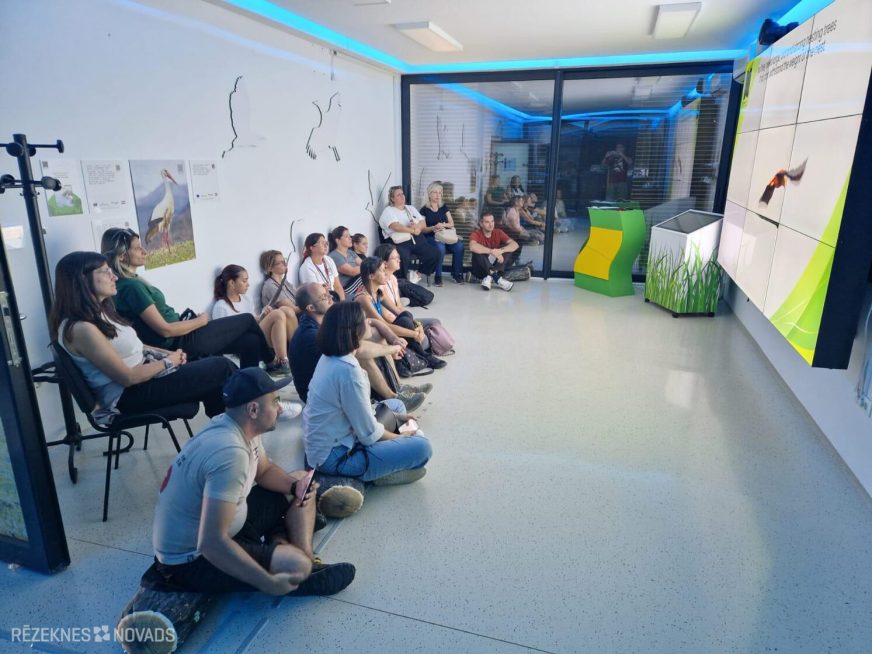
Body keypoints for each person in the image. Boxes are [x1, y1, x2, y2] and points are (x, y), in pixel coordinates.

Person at [150, 367, 356, 596]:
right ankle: (296, 566)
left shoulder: (236, 426)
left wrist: (295, 487)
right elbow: (211, 543)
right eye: (275, 401)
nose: (280, 408)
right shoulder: (230, 453)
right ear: (254, 409)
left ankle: (304, 556)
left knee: (300, 480)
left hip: (229, 525)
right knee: (295, 565)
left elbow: (264, 470)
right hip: (192, 562)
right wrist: (267, 583)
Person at [48, 251, 236, 425]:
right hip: (129, 395)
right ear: (82, 280)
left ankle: (224, 432)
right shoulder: (82, 329)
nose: (114, 277)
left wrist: (165, 353)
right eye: (106, 272)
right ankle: (233, 430)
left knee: (210, 368)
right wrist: (168, 362)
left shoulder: (100, 312)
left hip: (143, 378)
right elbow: (127, 377)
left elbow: (135, 347)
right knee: (221, 367)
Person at [102, 228, 273, 370]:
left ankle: (250, 388)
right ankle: (272, 361)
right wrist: (201, 320)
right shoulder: (131, 287)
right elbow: (166, 330)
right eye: (137, 248)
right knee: (247, 319)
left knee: (251, 341)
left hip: (183, 333)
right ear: (122, 256)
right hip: (179, 342)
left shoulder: (130, 282)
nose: (144, 251)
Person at [303, 302, 432, 484]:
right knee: (422, 446)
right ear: (355, 331)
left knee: (396, 406)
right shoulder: (348, 371)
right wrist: (401, 437)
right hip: (335, 456)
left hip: (330, 439)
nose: (369, 322)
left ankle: (383, 466)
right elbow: (369, 433)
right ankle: (375, 475)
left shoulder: (331, 357)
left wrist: (395, 417)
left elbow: (355, 410)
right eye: (364, 320)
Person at [289, 282, 428, 407]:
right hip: (316, 394)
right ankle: (393, 398)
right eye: (324, 297)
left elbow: (372, 322)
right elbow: (357, 349)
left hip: (333, 379)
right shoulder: (310, 334)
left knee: (377, 335)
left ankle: (398, 388)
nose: (330, 297)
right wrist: (392, 349)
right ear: (311, 307)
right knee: (357, 353)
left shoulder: (327, 316)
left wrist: (393, 339)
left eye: (327, 292)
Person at [356, 256, 446, 373]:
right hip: (370, 335)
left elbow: (399, 312)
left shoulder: (378, 292)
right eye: (382, 271)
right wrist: (414, 334)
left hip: (383, 331)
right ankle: (419, 356)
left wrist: (417, 325)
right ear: (371, 276)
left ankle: (414, 357)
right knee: (404, 322)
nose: (386, 274)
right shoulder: (363, 298)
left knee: (406, 315)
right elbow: (384, 325)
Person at [213, 265, 298, 379]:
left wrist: (262, 315)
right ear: (232, 283)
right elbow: (224, 338)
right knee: (278, 314)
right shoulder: (221, 307)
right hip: (242, 345)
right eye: (244, 281)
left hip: (255, 335)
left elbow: (253, 322)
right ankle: (281, 362)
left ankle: (293, 353)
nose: (248, 284)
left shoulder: (246, 299)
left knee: (285, 311)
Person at [377, 186, 439, 281]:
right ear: (392, 198)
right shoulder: (388, 210)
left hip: (416, 240)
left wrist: (417, 227)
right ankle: (402, 281)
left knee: (435, 253)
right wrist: (413, 230)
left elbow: (423, 223)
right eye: (398, 195)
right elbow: (395, 226)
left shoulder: (410, 208)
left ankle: (418, 274)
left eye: (402, 194)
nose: (402, 196)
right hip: (398, 242)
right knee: (402, 256)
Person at [420, 182, 465, 285]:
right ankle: (438, 276)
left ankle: (456, 273)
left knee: (459, 246)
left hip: (445, 235)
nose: (438, 195)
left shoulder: (443, 207)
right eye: (435, 192)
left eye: (440, 193)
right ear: (429, 194)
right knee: (440, 247)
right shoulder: (424, 210)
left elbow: (451, 223)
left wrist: (443, 225)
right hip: (431, 237)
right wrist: (434, 227)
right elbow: (423, 229)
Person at [469, 212, 520, 292]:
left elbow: (515, 244)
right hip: (480, 270)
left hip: (495, 268)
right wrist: (491, 251)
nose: (491, 225)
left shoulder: (498, 232)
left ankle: (490, 277)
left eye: (492, 221)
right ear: (481, 224)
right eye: (487, 222)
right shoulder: (476, 234)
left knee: (507, 248)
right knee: (478, 251)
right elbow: (472, 247)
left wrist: (500, 251)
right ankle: (497, 279)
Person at [299, 233, 345, 302]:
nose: (326, 245)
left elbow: (337, 285)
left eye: (326, 243)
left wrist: (342, 303)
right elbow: (315, 296)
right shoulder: (307, 267)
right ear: (312, 248)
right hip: (321, 302)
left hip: (333, 298)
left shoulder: (328, 260)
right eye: (322, 243)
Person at [259, 249, 299, 314]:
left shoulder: (285, 282)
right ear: (270, 268)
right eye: (280, 263)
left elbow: (299, 297)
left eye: (284, 261)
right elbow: (293, 310)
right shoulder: (270, 286)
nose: (285, 264)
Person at [327, 226, 363, 296]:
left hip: (356, 283)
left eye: (350, 236)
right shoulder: (334, 256)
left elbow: (364, 264)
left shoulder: (350, 252)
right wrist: (366, 267)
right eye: (347, 236)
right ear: (338, 240)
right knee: (370, 276)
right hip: (347, 288)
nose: (350, 238)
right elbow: (352, 272)